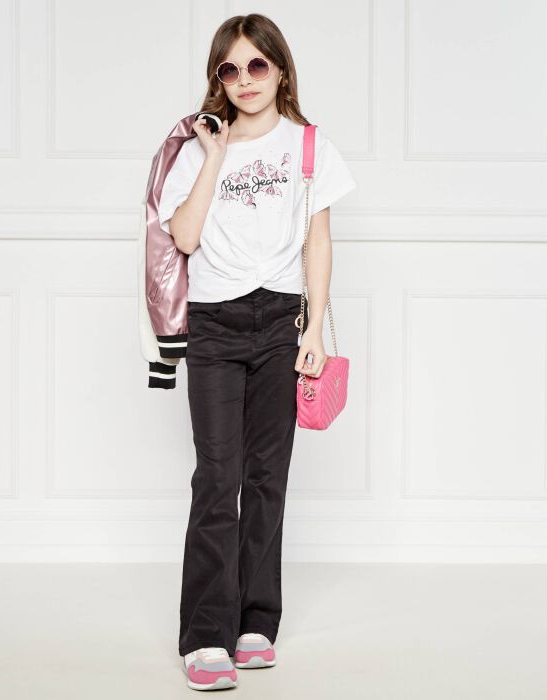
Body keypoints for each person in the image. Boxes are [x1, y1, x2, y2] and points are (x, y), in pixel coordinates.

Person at [157, 13, 356, 692]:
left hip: (279, 323)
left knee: (267, 475)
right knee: (218, 477)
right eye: (230, 69)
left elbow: (318, 242)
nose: (244, 80)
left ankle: (255, 622)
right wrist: (215, 157)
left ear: (280, 69)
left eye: (257, 65)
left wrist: (314, 330)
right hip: (214, 323)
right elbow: (185, 238)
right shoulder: (195, 150)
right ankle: (204, 634)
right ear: (218, 78)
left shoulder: (308, 145)